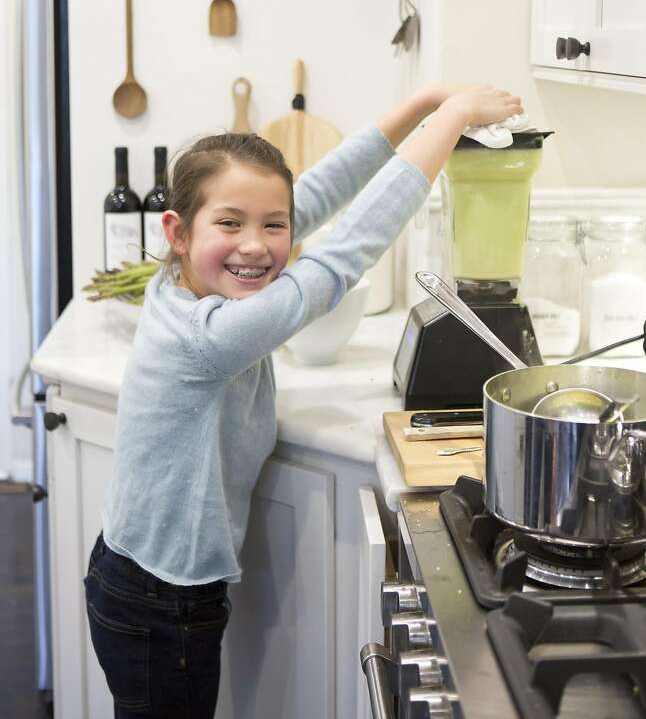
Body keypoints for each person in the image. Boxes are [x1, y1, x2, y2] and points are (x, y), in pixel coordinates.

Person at [84, 82, 522, 719]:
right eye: (229, 223)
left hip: (139, 578)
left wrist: (419, 102)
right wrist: (451, 120)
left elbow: (316, 194)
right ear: (177, 231)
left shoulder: (181, 278)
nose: (255, 245)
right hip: (161, 602)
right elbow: (344, 257)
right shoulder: (211, 336)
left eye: (273, 225)